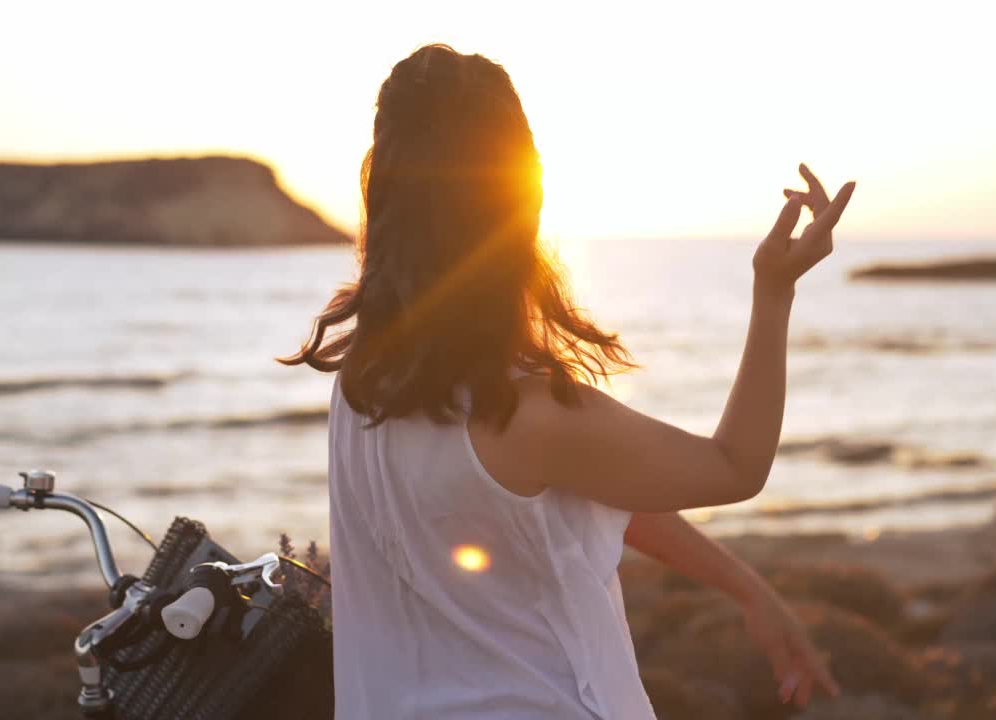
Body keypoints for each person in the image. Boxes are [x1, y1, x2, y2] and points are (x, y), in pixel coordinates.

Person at [282, 43, 855, 719]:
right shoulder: (528, 414)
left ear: (383, 196)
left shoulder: (361, 384)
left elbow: (589, 481)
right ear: (520, 199)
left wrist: (743, 584)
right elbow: (735, 466)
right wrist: (774, 292)